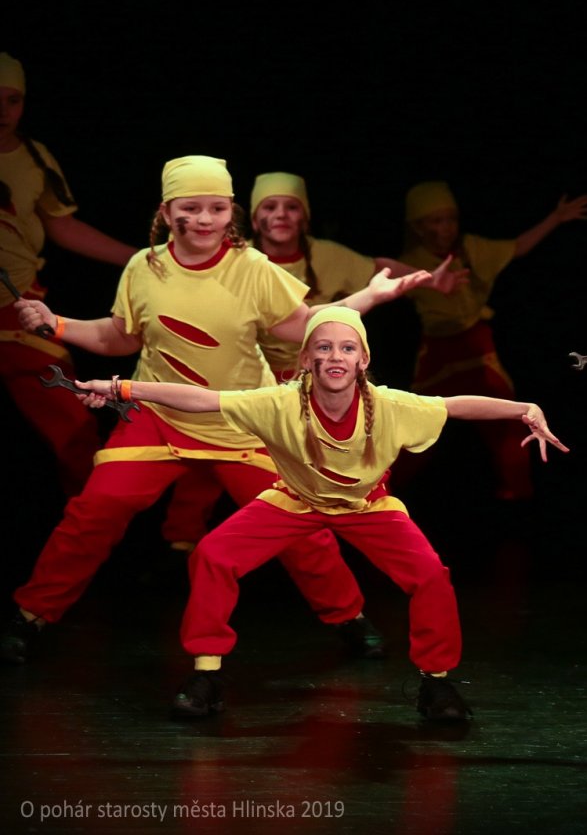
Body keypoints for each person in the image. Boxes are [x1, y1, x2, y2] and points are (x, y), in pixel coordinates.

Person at [0, 155, 433, 666]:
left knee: (300, 528)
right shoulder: (144, 267)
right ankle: (32, 614)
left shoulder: (252, 269)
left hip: (240, 422)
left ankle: (349, 617)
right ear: (166, 213)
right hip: (160, 416)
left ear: (231, 212)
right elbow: (120, 337)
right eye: (190, 208)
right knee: (95, 511)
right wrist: (56, 324)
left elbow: (304, 326)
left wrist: (370, 296)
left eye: (216, 208)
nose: (204, 219)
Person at [72, 306, 565, 721]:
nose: (335, 356)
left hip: (368, 506)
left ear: (363, 359)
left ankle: (436, 683)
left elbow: (454, 404)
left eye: (347, 348)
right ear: (306, 358)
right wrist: (123, 389)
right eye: (323, 348)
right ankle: (206, 676)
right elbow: (203, 400)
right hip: (295, 501)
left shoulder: (390, 405)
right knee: (213, 555)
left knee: (430, 575)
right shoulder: (278, 402)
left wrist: (524, 408)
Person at [157, 171, 466, 556]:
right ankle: (187, 535)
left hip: (322, 383)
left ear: (305, 216)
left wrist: (430, 281)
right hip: (257, 379)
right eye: (270, 207)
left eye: (291, 207)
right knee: (220, 445)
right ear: (255, 219)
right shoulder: (239, 263)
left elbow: (377, 268)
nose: (281, 215)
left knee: (343, 454)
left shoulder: (327, 256)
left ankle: (353, 529)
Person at [396, 180, 587, 501]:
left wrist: (556, 218)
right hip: (438, 351)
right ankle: (381, 492)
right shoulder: (410, 261)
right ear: (418, 227)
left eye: (450, 219)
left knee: (510, 417)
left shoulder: (471, 248)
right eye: (436, 221)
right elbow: (372, 280)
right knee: (417, 424)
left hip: (476, 345)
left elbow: (518, 247)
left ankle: (518, 495)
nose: (446, 228)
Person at [0, 52, 138, 494]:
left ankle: (91, 523)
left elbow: (62, 225)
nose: (3, 111)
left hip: (16, 308)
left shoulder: (33, 159)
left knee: (73, 426)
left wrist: (137, 257)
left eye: (13, 100)